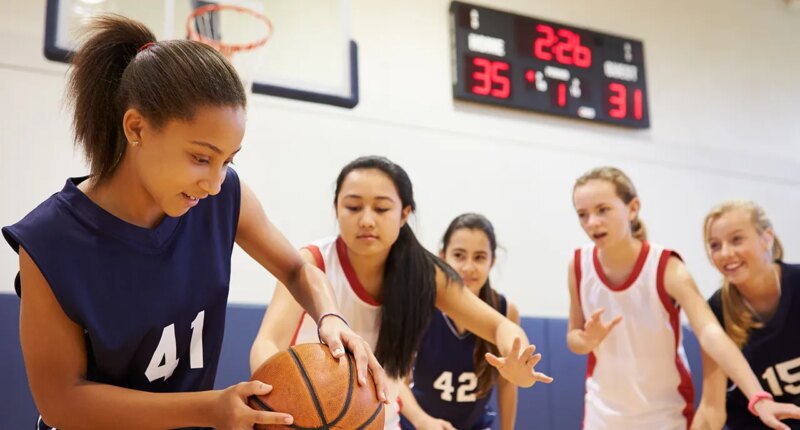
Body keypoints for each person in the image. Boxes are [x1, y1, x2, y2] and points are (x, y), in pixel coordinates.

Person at [1, 15, 384, 430]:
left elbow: (298, 268)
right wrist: (208, 408)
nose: (216, 182)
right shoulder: (50, 241)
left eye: (228, 160)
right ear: (136, 128)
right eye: (202, 157)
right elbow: (62, 401)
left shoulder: (224, 198)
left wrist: (331, 316)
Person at [250, 156, 552, 429]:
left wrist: (517, 360)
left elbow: (500, 325)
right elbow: (268, 341)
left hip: (380, 419)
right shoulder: (313, 261)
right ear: (336, 209)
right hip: (304, 417)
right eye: (353, 207)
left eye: (381, 208)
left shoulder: (423, 273)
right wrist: (284, 396)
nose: (367, 219)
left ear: (405, 213)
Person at [566, 167, 799, 429]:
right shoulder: (578, 264)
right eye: (582, 214)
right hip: (603, 413)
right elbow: (574, 338)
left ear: (632, 208)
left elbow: (710, 332)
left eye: (602, 210)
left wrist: (757, 396)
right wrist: (585, 340)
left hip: (664, 414)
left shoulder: (666, 266)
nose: (592, 222)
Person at [398, 213, 519, 430]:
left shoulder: (504, 310)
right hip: (419, 424)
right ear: (442, 257)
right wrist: (421, 420)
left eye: (480, 257)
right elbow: (398, 378)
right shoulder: (420, 305)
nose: (468, 267)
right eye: (459, 255)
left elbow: (507, 383)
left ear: (492, 261)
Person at [693, 200, 800, 430]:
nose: (726, 253)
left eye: (736, 240)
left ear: (767, 238)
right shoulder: (714, 312)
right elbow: (712, 407)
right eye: (714, 245)